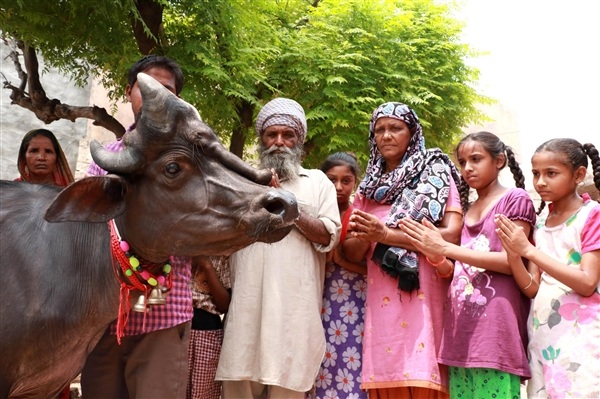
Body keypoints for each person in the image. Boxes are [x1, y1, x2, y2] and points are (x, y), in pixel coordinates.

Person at [80, 55, 193, 399]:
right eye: (146, 87)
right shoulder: (102, 163)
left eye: (166, 89)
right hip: (105, 317)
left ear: (178, 99)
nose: (156, 95)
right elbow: (85, 232)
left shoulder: (196, 158)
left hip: (165, 314)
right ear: (129, 92)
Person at [215, 97, 342, 399]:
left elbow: (327, 236)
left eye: (288, 135)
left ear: (300, 140)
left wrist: (286, 204)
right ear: (261, 139)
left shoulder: (319, 182)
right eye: (271, 135)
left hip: (293, 322)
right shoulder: (241, 180)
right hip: (245, 320)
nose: (279, 142)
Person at [400, 131, 536, 398]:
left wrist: (447, 248)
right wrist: (438, 258)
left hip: (495, 331)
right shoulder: (468, 207)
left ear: (499, 161)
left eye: (476, 159)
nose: (468, 168)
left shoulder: (515, 198)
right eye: (462, 162)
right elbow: (456, 272)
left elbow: (513, 262)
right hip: (460, 333)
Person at [343, 102, 463, 399]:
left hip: (426, 299)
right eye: (379, 130)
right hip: (382, 310)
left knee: (427, 381)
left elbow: (451, 234)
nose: (386, 135)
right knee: (388, 383)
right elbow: (351, 252)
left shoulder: (435, 173)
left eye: (395, 128)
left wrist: (386, 233)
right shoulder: (367, 189)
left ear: (412, 133)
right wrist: (365, 235)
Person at [495, 138, 600, 399]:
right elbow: (532, 288)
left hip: (581, 337)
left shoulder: (592, 215)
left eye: (551, 173)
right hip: (543, 336)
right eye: (536, 174)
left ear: (578, 175)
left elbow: (588, 282)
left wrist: (529, 250)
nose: (540, 182)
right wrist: (514, 255)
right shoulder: (542, 221)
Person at [16, 128, 74, 399]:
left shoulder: (71, 199)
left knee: (54, 370)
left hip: (57, 300)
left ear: (57, 158)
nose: (41, 157)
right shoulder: (10, 196)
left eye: (48, 151)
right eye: (34, 151)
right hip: (15, 301)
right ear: (23, 157)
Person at [310, 152, 368, 399]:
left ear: (355, 181)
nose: (338, 187)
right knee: (319, 362)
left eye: (346, 180)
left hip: (354, 306)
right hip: (318, 301)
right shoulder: (314, 218)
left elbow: (371, 270)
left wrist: (342, 260)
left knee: (350, 362)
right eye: (332, 179)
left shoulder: (359, 218)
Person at [186, 255, 230, 399]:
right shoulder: (178, 252)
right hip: (177, 329)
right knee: (174, 388)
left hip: (208, 332)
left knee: (205, 394)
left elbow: (224, 305)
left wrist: (207, 266)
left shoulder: (221, 256)